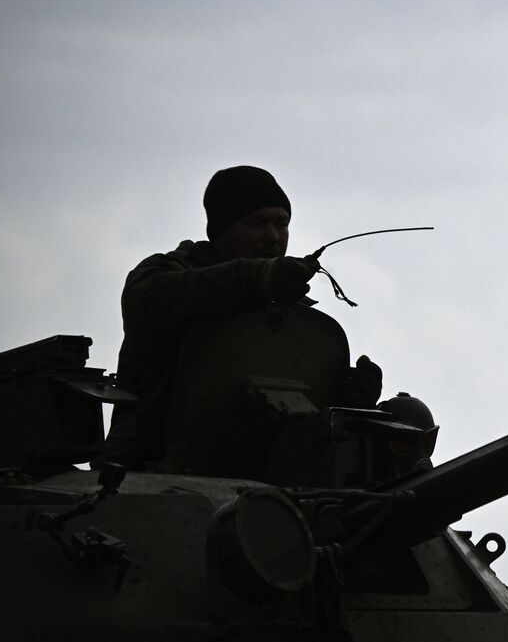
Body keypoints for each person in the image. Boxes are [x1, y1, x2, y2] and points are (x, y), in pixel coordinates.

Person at [104, 166, 382, 469]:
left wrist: (347, 404)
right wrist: (256, 278)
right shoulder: (164, 278)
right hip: (153, 473)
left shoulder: (290, 315)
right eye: (257, 223)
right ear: (222, 228)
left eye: (282, 223)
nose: (273, 237)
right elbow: (156, 306)